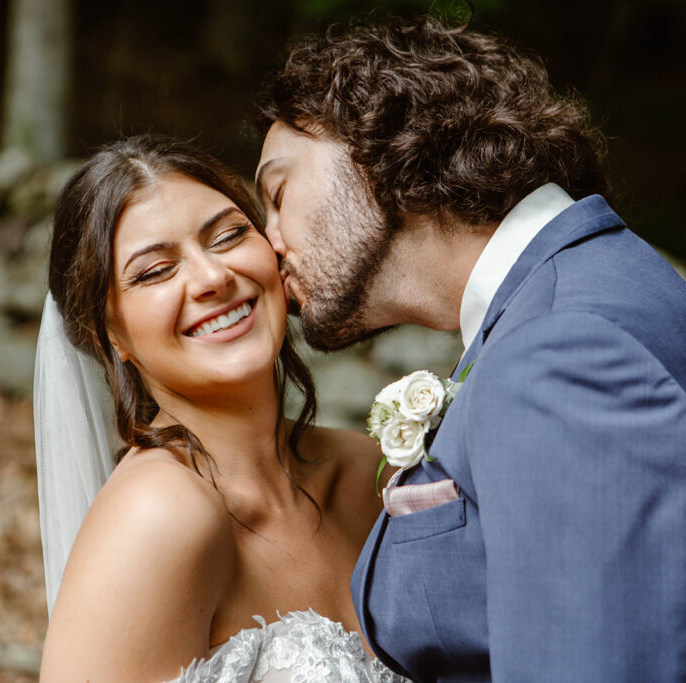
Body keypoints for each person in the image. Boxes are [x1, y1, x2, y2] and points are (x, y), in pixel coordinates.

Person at [254, 15, 686, 683]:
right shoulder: (567, 301)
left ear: (375, 138)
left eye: (278, 193)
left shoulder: (568, 353)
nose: (268, 242)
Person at [34, 134, 409, 682]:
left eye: (230, 235)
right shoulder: (157, 516)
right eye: (154, 271)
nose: (213, 278)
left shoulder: (370, 471)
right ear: (108, 333)